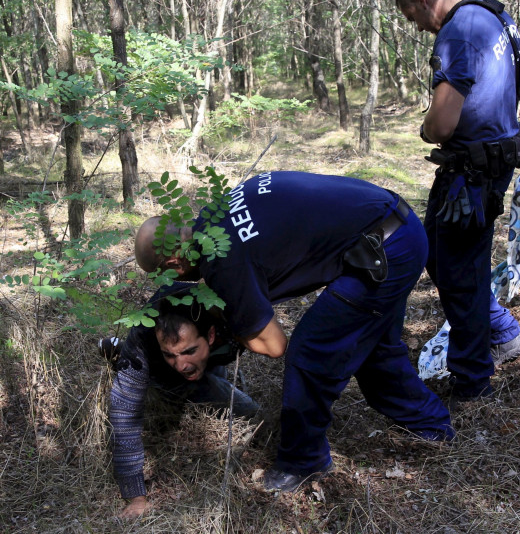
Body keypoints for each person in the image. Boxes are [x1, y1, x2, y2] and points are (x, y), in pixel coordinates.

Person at [134, 171, 454, 493]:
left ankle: (304, 460)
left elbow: (273, 345)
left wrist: (232, 318)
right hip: (396, 224)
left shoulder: (222, 260)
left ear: (175, 261)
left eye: (164, 275)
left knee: (311, 352)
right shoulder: (217, 213)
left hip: (385, 251)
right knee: (372, 348)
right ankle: (431, 426)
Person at [394, 0, 520, 400]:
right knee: (436, 250)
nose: (417, 28)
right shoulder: (495, 17)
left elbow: (443, 122)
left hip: (472, 172)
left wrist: (426, 128)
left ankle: (472, 378)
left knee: (457, 269)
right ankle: (502, 329)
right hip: (483, 164)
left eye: (412, 17)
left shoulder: (457, 30)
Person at [106, 283, 260, 519]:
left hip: (214, 356)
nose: (180, 364)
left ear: (209, 334)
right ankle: (124, 358)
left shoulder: (234, 316)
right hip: (165, 378)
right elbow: (123, 411)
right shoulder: (144, 338)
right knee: (248, 411)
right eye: (170, 354)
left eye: (188, 351)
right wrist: (136, 497)